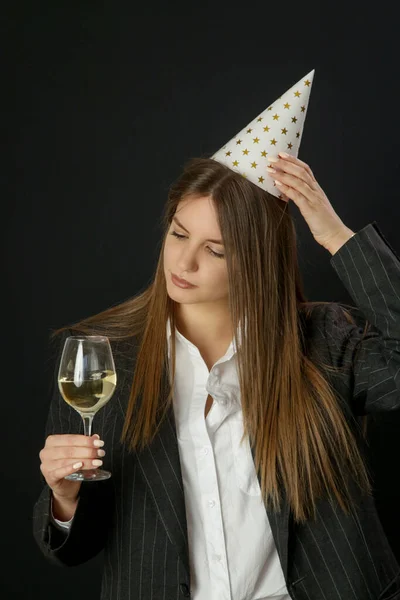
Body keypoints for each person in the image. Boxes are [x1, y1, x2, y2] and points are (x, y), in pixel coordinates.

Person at [33, 72, 400, 600]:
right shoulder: (102, 359)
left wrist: (337, 238)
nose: (184, 261)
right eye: (179, 234)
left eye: (217, 249)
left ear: (254, 262)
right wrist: (65, 499)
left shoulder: (325, 342)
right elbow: (74, 547)